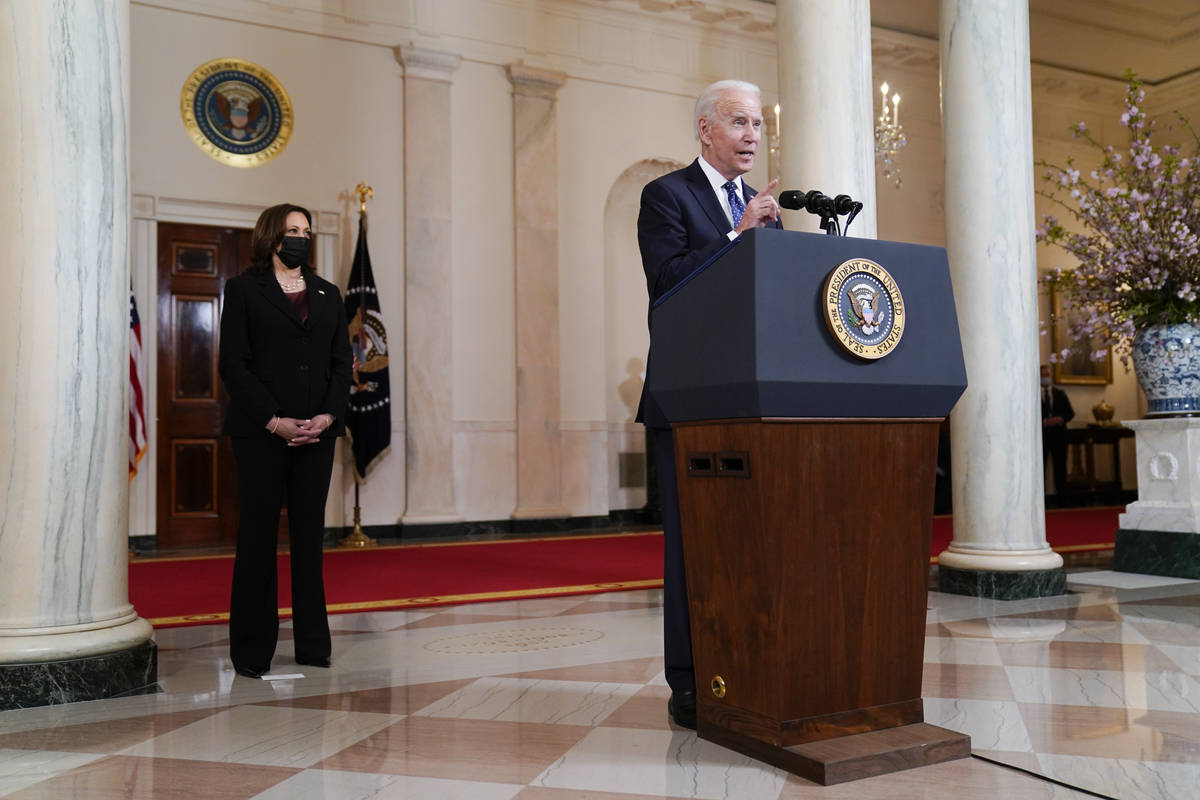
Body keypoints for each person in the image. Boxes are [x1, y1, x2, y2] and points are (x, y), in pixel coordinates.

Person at [636, 79, 782, 729]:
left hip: (755, 399)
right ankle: (689, 681)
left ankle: (747, 666)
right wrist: (734, 236)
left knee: (750, 545)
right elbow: (667, 285)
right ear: (705, 130)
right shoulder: (666, 195)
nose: (753, 135)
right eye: (739, 123)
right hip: (689, 398)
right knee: (692, 549)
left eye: (758, 124)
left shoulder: (761, 204)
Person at [218, 203, 353, 678]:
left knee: (309, 539)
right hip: (261, 436)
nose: (301, 237)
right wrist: (273, 421)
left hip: (317, 435)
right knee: (257, 541)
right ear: (272, 235)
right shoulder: (243, 290)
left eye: (307, 231)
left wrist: (328, 414)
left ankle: (313, 646)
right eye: (293, 230)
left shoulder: (328, 293)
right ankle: (252, 653)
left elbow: (342, 363)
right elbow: (233, 364)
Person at [1040, 364, 1075, 496]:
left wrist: (1060, 419)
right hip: (1041, 438)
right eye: (1042, 375)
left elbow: (1070, 413)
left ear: (1051, 376)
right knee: (1040, 469)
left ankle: (1062, 499)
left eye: (1047, 375)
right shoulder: (1032, 396)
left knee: (1060, 468)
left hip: (1059, 437)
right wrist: (1043, 422)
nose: (1045, 377)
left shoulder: (1060, 394)